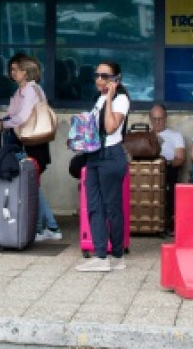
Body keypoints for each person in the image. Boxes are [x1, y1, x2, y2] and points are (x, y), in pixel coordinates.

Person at [0, 53, 62, 240]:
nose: (12, 73)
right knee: (32, 186)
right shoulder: (24, 90)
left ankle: (48, 227)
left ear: (26, 72)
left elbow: (22, 117)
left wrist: (5, 124)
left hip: (31, 144)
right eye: (11, 70)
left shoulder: (30, 91)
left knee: (31, 186)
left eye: (16, 69)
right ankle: (46, 227)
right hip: (32, 143)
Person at [76, 60, 131, 272]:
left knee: (111, 208)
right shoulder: (98, 99)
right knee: (94, 206)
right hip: (95, 155)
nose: (99, 79)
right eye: (97, 75)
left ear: (116, 79)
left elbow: (110, 127)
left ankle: (115, 255)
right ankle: (101, 255)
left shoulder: (120, 100)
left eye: (105, 76)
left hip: (111, 156)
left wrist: (109, 98)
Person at [148, 103, 187, 234]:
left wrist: (165, 166)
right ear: (150, 119)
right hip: (147, 170)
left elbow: (180, 158)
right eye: (154, 119)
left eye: (160, 118)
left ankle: (169, 222)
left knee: (170, 179)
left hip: (167, 168)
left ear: (165, 118)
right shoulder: (144, 136)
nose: (157, 122)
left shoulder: (175, 135)